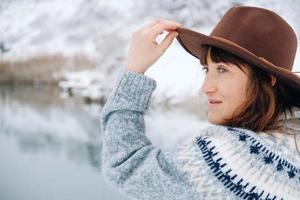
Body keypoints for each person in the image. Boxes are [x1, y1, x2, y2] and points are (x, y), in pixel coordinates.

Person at [100, 5, 300, 200]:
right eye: (207, 69)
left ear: (267, 80)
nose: (206, 87)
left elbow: (124, 168)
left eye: (222, 70)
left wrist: (134, 70)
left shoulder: (230, 161)